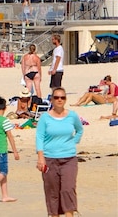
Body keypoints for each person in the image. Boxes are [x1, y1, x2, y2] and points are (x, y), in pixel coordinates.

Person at [36, 87, 83, 217]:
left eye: (62, 97)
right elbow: (39, 137)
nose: (59, 100)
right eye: (56, 97)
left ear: (65, 99)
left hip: (69, 159)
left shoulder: (72, 115)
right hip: (49, 159)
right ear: (51, 99)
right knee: (52, 192)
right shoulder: (45, 117)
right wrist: (41, 158)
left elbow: (79, 130)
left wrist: (73, 142)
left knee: (68, 189)